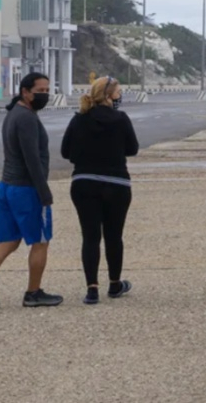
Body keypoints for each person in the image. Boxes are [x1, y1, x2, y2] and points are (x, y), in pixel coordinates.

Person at [0, 72, 63, 308]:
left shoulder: (15, 114)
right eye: (40, 91)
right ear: (25, 91)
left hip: (7, 186)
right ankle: (33, 292)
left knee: (10, 240)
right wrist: (44, 192)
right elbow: (32, 158)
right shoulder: (26, 119)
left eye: (47, 90)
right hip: (26, 189)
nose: (45, 95)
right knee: (40, 241)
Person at [61, 76, 139, 305]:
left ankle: (92, 289)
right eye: (118, 93)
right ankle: (114, 284)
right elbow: (132, 149)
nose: (119, 97)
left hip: (84, 183)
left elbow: (66, 152)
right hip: (117, 183)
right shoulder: (121, 119)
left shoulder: (79, 120)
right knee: (114, 236)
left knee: (90, 237)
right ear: (108, 96)